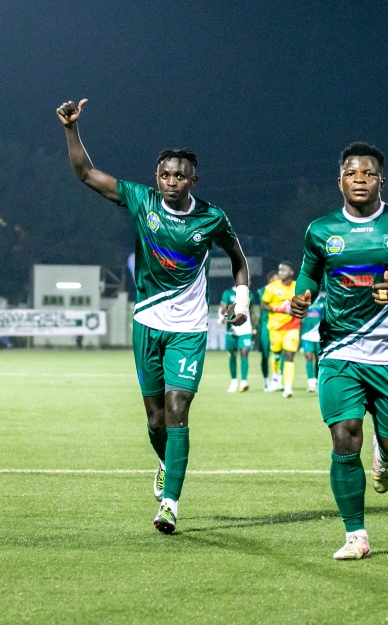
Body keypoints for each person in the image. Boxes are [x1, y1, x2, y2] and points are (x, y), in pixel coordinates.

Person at [56, 99, 250, 534]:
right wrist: (71, 130)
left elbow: (238, 260)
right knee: (155, 419)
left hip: (189, 329)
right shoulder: (142, 202)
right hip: (146, 324)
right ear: (156, 177)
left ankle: (171, 505)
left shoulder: (212, 218)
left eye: (180, 175)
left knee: (178, 408)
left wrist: (240, 301)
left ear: (193, 179)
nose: (171, 181)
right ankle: (164, 462)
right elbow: (86, 174)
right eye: (165, 174)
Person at [290, 142, 388, 560]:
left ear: (382, 180)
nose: (360, 179)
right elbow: (309, 270)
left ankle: (386, 450)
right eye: (352, 173)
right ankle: (355, 535)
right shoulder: (321, 230)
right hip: (339, 349)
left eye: (369, 173)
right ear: (339, 180)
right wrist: (303, 294)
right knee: (344, 437)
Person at [262, 263, 299, 398]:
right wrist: (277, 308)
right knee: (276, 354)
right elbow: (263, 305)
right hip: (275, 327)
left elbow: (303, 303)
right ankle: (276, 376)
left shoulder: (297, 286)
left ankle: (288, 387)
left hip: (292, 326)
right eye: (279, 269)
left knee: (289, 355)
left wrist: (296, 308)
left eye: (284, 269)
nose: (280, 272)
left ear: (291, 272)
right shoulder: (272, 287)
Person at [218, 285, 253, 392]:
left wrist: (255, 327)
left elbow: (251, 311)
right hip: (231, 329)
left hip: (246, 329)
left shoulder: (249, 294)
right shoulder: (228, 293)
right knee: (232, 355)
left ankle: (243, 381)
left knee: (244, 353)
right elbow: (223, 307)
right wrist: (223, 316)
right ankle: (234, 381)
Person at [256, 270, 281, 391]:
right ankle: (266, 381)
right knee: (265, 355)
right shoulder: (262, 291)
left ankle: (277, 379)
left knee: (278, 354)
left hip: (278, 325)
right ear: (269, 280)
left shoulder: (282, 291)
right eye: (275, 279)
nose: (277, 281)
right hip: (266, 327)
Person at [300, 293, 327, 393]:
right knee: (308, 357)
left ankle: (318, 380)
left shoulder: (323, 301)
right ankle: (311, 383)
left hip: (319, 335)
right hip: (306, 335)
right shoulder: (304, 301)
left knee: (318, 359)